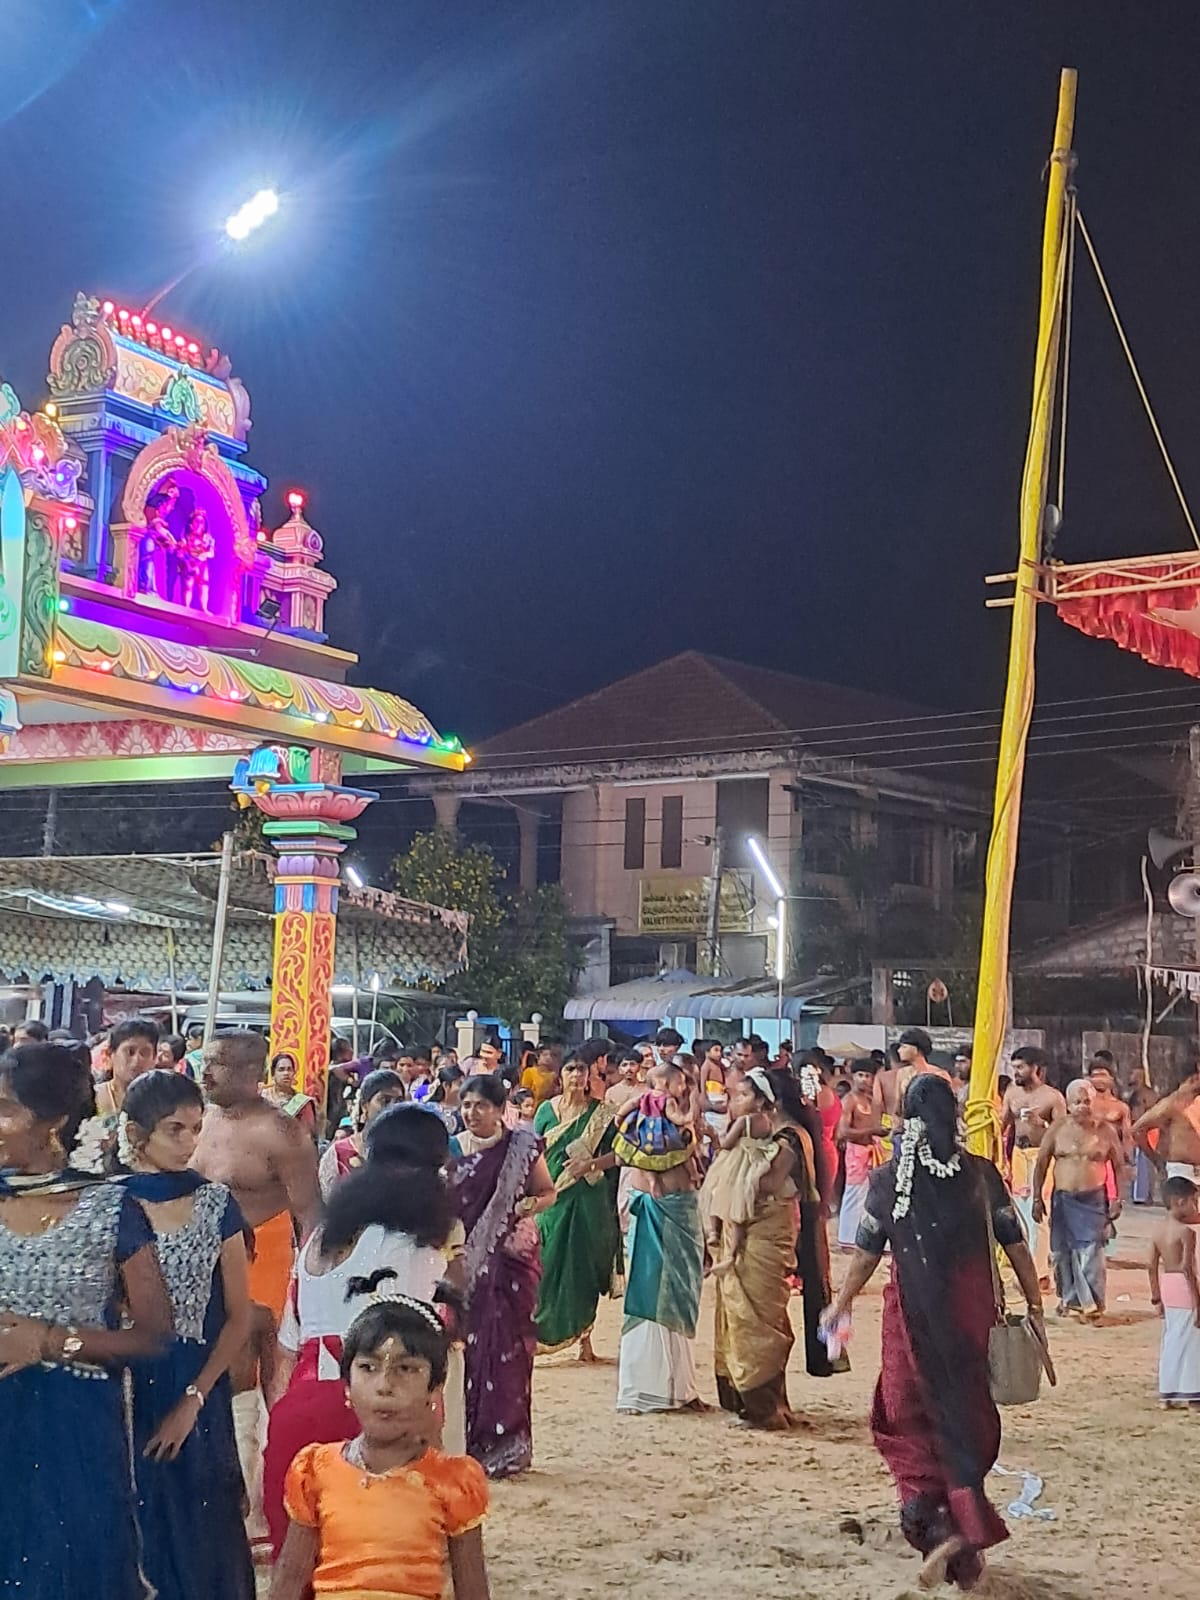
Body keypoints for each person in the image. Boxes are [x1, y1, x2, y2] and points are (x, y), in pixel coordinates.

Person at [824, 1074, 1043, 1592]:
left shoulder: (888, 1182)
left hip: (912, 1321)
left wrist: (841, 1303)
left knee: (905, 1417)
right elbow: (1015, 1245)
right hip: (970, 1319)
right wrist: (1035, 1306)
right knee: (964, 1418)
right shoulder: (981, 1175)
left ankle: (939, 1528)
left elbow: (867, 1254)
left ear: (907, 1121)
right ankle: (962, 1534)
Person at [0, 1042, 172, 1597]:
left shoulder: (108, 1207)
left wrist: (50, 1341)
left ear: (52, 1119)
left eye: (4, 1109)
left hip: (72, 1430)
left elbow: (155, 1336)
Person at [263, 1103, 465, 1553]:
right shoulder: (408, 1247)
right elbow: (419, 1352)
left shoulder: (317, 1240)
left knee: (299, 1563)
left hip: (296, 1412)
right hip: (370, 1418)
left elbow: (286, 1351)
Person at [117, 1071, 255, 1600]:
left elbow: (239, 1316)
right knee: (135, 1523)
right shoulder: (107, 1204)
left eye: (196, 1129)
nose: (188, 1142)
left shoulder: (216, 1202)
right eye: (174, 1129)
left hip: (197, 1384)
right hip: (126, 1384)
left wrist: (195, 1398)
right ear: (137, 1133)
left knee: (203, 1524)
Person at [270, 1298, 490, 1600]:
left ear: (434, 1389)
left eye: (406, 1369)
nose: (385, 1385)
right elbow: (290, 1579)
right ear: (347, 1385)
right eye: (368, 1368)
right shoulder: (315, 1470)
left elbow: (473, 1591)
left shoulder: (454, 1481)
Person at [451, 1075, 555, 1476]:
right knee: (464, 1349)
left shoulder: (521, 1148)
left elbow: (547, 1192)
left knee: (507, 1352)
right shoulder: (451, 1149)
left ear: (499, 1110)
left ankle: (506, 1444)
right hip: (461, 1261)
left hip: (510, 1262)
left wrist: (525, 1208)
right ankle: (464, 1440)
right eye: (466, 1105)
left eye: (481, 1105)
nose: (472, 1113)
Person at [192, 1031, 320, 1324]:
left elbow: (309, 1214)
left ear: (251, 1070)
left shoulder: (282, 1133)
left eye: (217, 1063)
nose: (205, 1073)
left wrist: (312, 1285)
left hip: (260, 1267)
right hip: (197, 1264)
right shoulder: (199, 1119)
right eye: (205, 1062)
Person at [709, 1067, 803, 1428]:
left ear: (764, 1101)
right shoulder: (762, 1136)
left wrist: (733, 1176)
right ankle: (763, 1404)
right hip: (749, 1230)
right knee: (742, 1314)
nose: (734, 1102)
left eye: (742, 1096)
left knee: (759, 1319)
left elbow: (769, 1184)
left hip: (766, 1233)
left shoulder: (788, 1138)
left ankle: (765, 1410)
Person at [533, 1055, 621, 1362]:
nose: (576, 1075)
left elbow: (619, 1154)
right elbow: (534, 1153)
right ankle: (538, 1334)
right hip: (552, 1199)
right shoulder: (546, 1111)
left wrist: (590, 1165)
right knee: (546, 1265)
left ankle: (585, 1341)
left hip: (588, 1200)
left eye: (581, 1070)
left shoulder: (602, 1114)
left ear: (588, 1076)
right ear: (560, 1075)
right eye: (570, 1069)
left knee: (582, 1268)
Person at [1033, 1079, 1124, 1320]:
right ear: (1068, 1103)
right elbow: (1041, 1162)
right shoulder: (1057, 1128)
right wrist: (1036, 1198)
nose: (1082, 1106)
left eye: (1086, 1101)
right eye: (1077, 1102)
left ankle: (1094, 1305)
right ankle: (1069, 1300)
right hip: (1063, 1199)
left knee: (1091, 1251)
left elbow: (1119, 1165)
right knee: (1061, 1252)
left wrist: (1117, 1198)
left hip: (1093, 1200)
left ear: (1094, 1102)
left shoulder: (1106, 1131)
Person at [701, 1069, 777, 1276]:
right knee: (737, 1211)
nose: (738, 1100)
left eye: (744, 1095)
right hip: (755, 1164)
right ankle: (730, 1253)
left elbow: (726, 1144)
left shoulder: (745, 1121)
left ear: (759, 1100)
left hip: (737, 1164)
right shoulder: (769, 1119)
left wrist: (712, 1135)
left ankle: (714, 1232)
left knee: (717, 1194)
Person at [230, 1235, 277, 1565]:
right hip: (203, 1405)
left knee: (245, 1467)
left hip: (244, 1404)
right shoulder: (196, 1316)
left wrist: (277, 1415)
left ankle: (241, 1538)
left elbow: (272, 1374)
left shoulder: (260, 1317)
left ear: (251, 1258)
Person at [1001, 1048, 1066, 1283]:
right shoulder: (1012, 1092)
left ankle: (1040, 1273)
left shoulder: (1053, 1097)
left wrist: (1042, 1123)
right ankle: (1025, 1268)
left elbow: (1063, 1133)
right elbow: (1002, 1125)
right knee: (1020, 1212)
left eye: (1020, 1067)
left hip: (1042, 1156)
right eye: (1014, 1068)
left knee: (1040, 1212)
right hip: (1019, 1156)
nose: (1016, 1072)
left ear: (1034, 1068)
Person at [1149, 1176, 1200, 1408]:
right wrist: (1198, 1302)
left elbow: (1151, 1265)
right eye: (1193, 1202)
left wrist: (1156, 1297)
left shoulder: (1157, 1230)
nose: (1195, 1207)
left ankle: (1167, 1391)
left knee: (1172, 1338)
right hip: (1184, 1286)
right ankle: (1192, 1392)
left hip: (1167, 1284)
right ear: (1180, 1202)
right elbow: (1188, 1269)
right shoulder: (1186, 1232)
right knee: (1191, 1340)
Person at [318, 1068, 406, 1198]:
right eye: (385, 1100)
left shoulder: (409, 1153)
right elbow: (329, 1202)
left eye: (399, 1101)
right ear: (365, 1106)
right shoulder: (339, 1153)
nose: (393, 1108)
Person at [612, 1060, 698, 1175]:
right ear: (664, 1082)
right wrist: (687, 1117)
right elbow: (675, 1117)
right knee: (681, 1148)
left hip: (641, 1128)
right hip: (658, 1133)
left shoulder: (646, 1094)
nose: (683, 1088)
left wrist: (620, 1115)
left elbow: (632, 1103)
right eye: (680, 1083)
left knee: (632, 1143)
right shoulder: (668, 1100)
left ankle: (625, 1161)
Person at [836, 1061, 882, 1250]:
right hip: (856, 1152)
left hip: (872, 1151)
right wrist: (872, 1131)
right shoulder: (849, 1100)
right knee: (853, 1194)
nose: (864, 1079)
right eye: (860, 1075)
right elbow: (844, 1131)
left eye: (868, 1076)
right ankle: (847, 1240)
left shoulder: (871, 1099)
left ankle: (861, 1237)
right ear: (852, 1076)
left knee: (868, 1195)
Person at [1133, 1068, 1200, 1185]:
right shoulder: (1173, 1104)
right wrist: (1157, 1161)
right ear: (1193, 1079)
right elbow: (1138, 1129)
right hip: (1181, 1173)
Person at [94, 1015, 160, 1119]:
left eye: (144, 1053)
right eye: (130, 1052)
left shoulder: (163, 1102)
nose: (137, 1060)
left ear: (154, 1058)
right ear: (110, 1054)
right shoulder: (92, 1097)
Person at [1127, 1065, 1160, 1204]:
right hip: (1152, 1132)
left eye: (1132, 1074)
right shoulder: (1151, 1094)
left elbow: (1138, 1116)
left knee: (1143, 1163)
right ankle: (1147, 1195)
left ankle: (1142, 1196)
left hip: (1144, 1132)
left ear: (1139, 1077)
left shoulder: (1139, 1095)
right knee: (1149, 1164)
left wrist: (1135, 1133)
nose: (1129, 1076)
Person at [263, 1051, 319, 1135]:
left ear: (294, 1073)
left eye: (289, 1069)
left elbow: (307, 1135)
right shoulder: (262, 1098)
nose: (286, 1073)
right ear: (273, 1074)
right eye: (281, 1070)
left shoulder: (302, 1103)